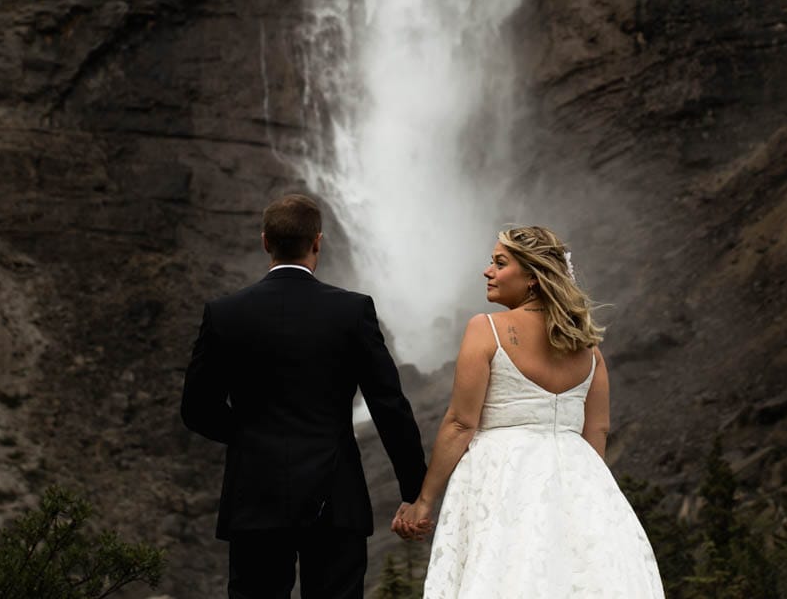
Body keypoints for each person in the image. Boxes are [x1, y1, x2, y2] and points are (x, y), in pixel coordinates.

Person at [392, 225, 664, 597]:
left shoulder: (485, 329)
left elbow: (460, 422)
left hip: (500, 477)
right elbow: (597, 430)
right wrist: (582, 493)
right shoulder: (589, 349)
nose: (487, 271)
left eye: (500, 263)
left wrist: (424, 501)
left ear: (534, 277)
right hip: (580, 474)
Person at [181, 194, 428, 599]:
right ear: (318, 241)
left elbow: (196, 409)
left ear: (265, 242)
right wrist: (414, 491)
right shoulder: (353, 311)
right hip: (336, 493)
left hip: (255, 495)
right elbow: (389, 407)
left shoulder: (225, 313)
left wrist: (250, 435)